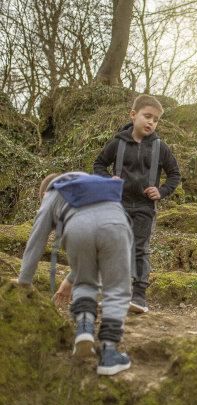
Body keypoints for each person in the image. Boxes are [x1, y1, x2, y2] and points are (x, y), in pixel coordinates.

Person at [15, 172, 133, 376]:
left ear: (44, 193)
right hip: (116, 224)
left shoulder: (53, 192)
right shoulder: (94, 181)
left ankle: (84, 329)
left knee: (85, 283)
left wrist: (24, 280)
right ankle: (109, 353)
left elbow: (38, 236)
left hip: (77, 228)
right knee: (116, 288)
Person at [94, 94, 181, 314]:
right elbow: (99, 164)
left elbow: (174, 175)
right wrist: (107, 180)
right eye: (147, 116)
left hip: (144, 208)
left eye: (156, 119)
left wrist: (161, 191)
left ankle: (139, 297)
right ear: (133, 115)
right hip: (118, 206)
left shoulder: (161, 147)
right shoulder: (118, 143)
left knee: (140, 251)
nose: (151, 122)